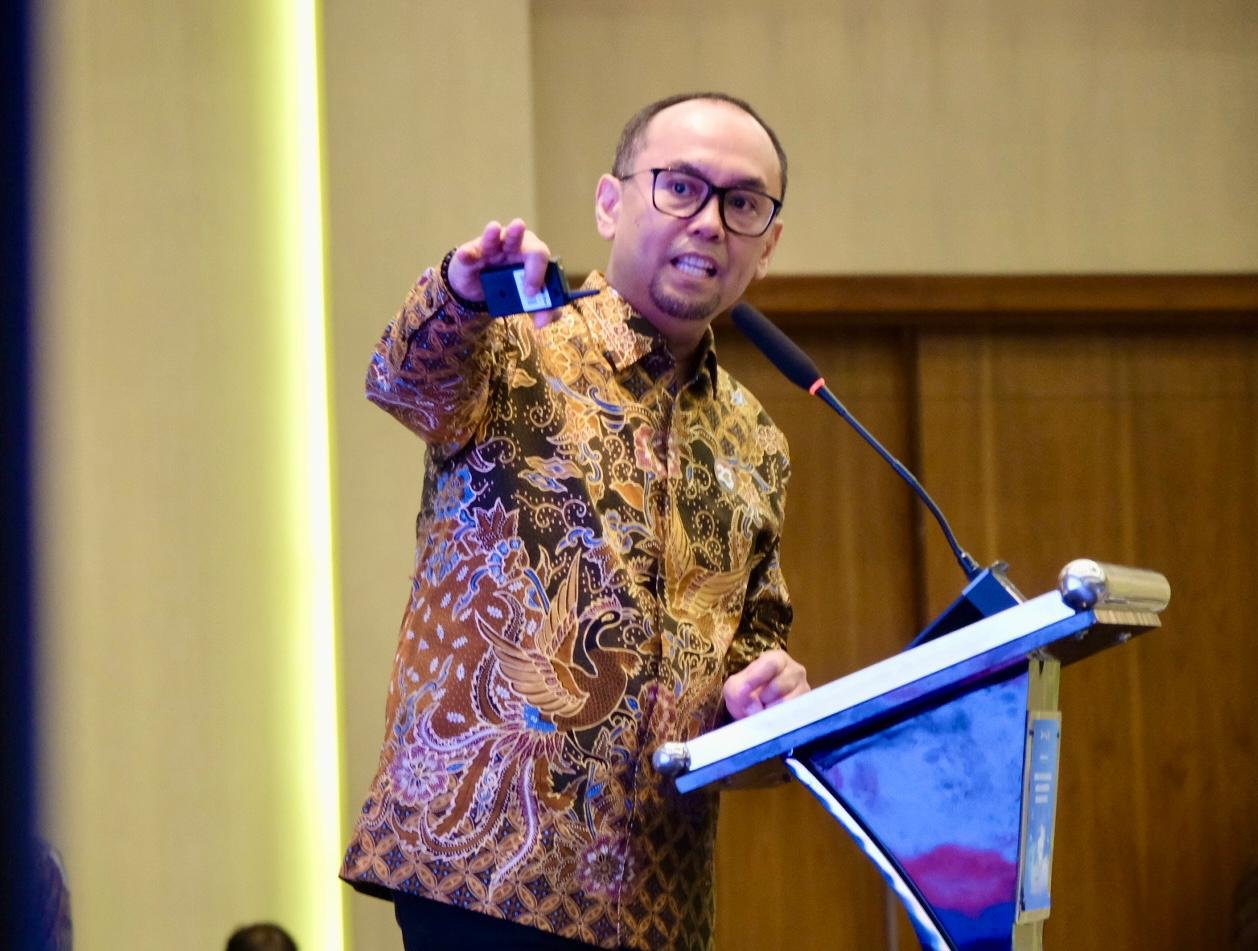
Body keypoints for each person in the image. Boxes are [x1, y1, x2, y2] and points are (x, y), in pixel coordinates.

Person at [340, 91, 810, 951]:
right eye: (681, 186)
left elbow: (749, 655)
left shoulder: (756, 442)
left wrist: (765, 699)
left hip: (660, 901)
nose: (709, 221)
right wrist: (460, 291)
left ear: (767, 245)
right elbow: (403, 382)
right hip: (484, 877)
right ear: (609, 203)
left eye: (741, 203)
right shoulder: (517, 340)